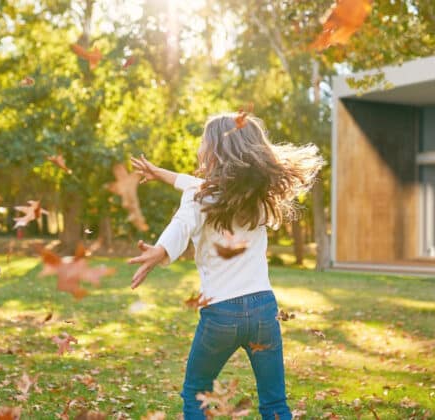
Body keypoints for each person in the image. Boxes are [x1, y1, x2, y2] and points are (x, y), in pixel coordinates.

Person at [128, 112, 323, 419]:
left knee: (196, 391)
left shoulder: (200, 196)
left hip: (221, 313)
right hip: (263, 310)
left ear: (216, 150)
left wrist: (161, 250)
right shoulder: (257, 196)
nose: (199, 148)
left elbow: (182, 224)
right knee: (274, 403)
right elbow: (194, 184)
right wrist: (160, 172)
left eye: (204, 142)